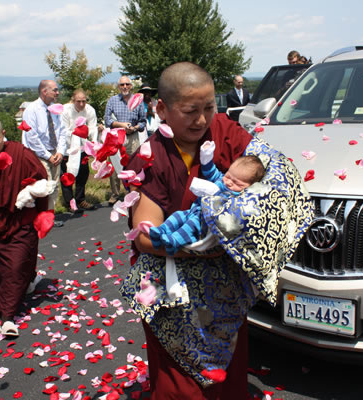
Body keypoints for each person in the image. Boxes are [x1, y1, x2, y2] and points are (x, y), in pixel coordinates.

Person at [121, 62, 256, 399]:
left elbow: (265, 183)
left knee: (228, 371)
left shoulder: (228, 134)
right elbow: (146, 237)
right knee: (181, 383)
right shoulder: (151, 157)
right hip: (173, 289)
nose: (202, 119)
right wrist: (207, 247)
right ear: (162, 109)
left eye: (209, 108)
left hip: (223, 288)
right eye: (190, 111)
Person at [0, 116, 48, 336]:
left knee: (15, 267)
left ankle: (7, 318)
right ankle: (29, 280)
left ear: (3, 133)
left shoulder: (21, 154)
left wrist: (30, 194)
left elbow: (42, 182)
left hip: (22, 221)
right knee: (8, 267)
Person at [149, 147, 265, 255]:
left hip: (204, 221)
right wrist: (207, 156)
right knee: (178, 215)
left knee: (190, 225)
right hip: (194, 210)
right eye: (229, 176)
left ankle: (174, 241)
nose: (229, 182)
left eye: (237, 183)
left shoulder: (238, 198)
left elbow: (230, 212)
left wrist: (217, 194)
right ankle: (161, 230)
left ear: (249, 187)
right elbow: (210, 171)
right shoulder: (221, 179)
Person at [22, 80, 67, 225]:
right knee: (42, 187)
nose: (57, 93)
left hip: (55, 152)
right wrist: (48, 156)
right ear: (44, 91)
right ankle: (39, 218)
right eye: (54, 90)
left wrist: (60, 152)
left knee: (54, 185)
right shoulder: (32, 110)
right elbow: (32, 136)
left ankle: (49, 217)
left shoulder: (56, 109)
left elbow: (62, 131)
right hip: (39, 154)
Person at [104, 76, 146, 203]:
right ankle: (115, 194)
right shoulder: (112, 101)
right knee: (115, 166)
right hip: (117, 137)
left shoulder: (138, 101)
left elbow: (143, 122)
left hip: (132, 137)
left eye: (127, 84)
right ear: (118, 87)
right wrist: (121, 125)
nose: (125, 87)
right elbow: (107, 120)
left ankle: (134, 191)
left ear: (131, 86)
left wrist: (134, 128)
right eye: (122, 85)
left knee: (134, 165)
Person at [60, 89, 97, 211]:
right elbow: (63, 131)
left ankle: (80, 199)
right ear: (72, 100)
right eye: (78, 101)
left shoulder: (90, 110)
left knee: (83, 172)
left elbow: (92, 127)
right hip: (67, 147)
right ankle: (69, 201)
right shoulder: (65, 111)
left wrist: (92, 143)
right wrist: (77, 133)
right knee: (67, 174)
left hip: (82, 147)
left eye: (84, 101)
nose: (81, 104)